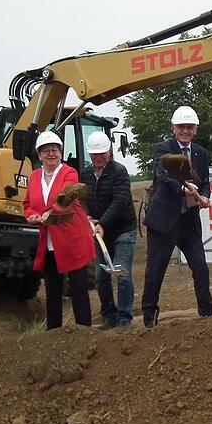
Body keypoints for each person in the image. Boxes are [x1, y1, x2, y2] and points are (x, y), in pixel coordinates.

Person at [141, 106, 212, 328]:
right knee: (155, 270)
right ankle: (149, 318)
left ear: (196, 130)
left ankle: (206, 314)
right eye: (181, 127)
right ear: (173, 128)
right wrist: (184, 189)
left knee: (200, 267)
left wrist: (204, 196)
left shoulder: (202, 153)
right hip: (164, 220)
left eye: (189, 127)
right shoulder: (163, 148)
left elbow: (205, 183)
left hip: (189, 221)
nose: (185, 131)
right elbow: (162, 175)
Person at [24, 131, 96, 330]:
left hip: (72, 239)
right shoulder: (34, 177)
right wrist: (31, 215)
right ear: (39, 155)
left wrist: (49, 212)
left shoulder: (69, 173)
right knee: (52, 290)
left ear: (61, 152)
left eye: (54, 150)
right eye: (46, 151)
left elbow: (66, 197)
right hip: (49, 242)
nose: (51, 154)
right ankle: (53, 334)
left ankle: (84, 330)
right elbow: (28, 204)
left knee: (78, 288)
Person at [80, 132, 137, 330]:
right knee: (100, 276)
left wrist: (102, 224)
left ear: (109, 152)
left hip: (123, 230)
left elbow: (120, 201)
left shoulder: (119, 172)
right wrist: (87, 217)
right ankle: (109, 316)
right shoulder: (85, 174)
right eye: (94, 155)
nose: (98, 158)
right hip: (99, 231)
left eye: (102, 154)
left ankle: (124, 319)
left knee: (122, 274)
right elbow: (83, 199)